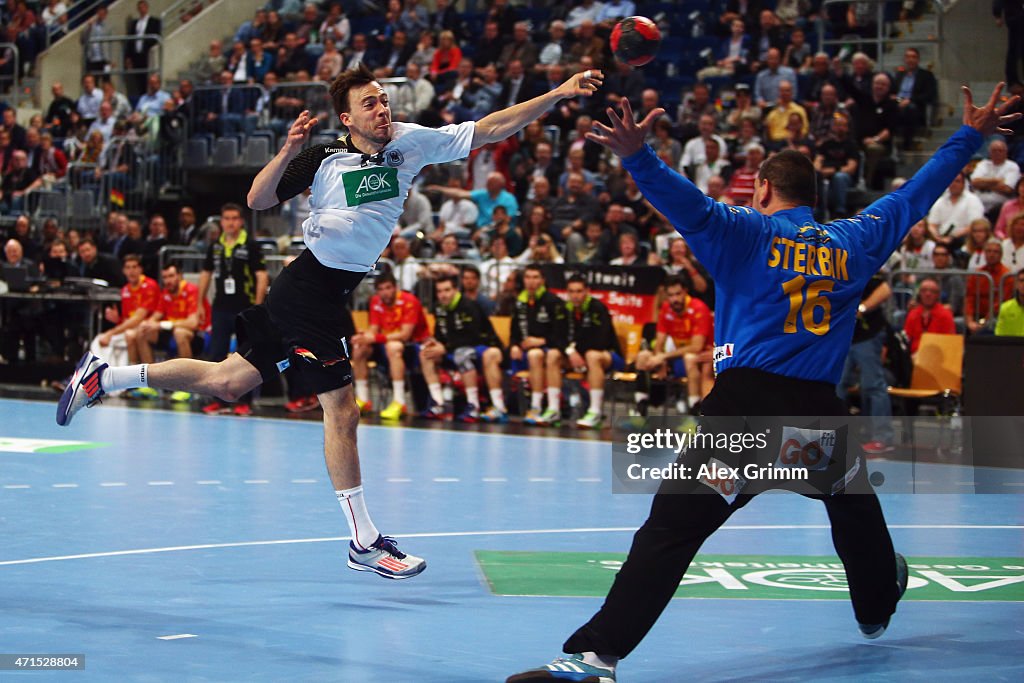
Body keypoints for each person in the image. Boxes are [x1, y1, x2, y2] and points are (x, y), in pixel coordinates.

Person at [507, 83, 1020, 682]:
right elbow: (913, 196)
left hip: (743, 418)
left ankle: (597, 657)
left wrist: (636, 156)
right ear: (815, 196)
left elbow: (690, 206)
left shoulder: (746, 232)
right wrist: (970, 136)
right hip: (815, 419)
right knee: (852, 506)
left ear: (764, 189)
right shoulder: (855, 240)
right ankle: (878, 603)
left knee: (669, 534)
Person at [59, 62, 605, 581]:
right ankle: (364, 542)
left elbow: (487, 128)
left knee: (226, 382)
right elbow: (257, 198)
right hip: (308, 289)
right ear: (347, 117)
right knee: (342, 409)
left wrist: (557, 93)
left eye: (384, 100)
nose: (381, 109)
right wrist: (287, 150)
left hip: (328, 291)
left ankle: (104, 378)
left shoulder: (410, 142)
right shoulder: (322, 159)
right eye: (369, 104)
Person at [196, 203, 269, 415]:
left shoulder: (251, 245)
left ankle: (243, 401)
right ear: (221, 221)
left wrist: (257, 306)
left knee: (244, 356)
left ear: (241, 221)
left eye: (234, 218)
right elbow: (205, 274)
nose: (230, 222)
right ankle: (217, 400)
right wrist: (200, 303)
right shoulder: (216, 246)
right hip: (220, 307)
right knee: (217, 353)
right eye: (226, 218)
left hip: (244, 308)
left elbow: (261, 276)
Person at [419, 274, 503, 422]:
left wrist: (445, 347)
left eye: (447, 290)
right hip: (452, 349)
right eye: (439, 291)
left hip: (480, 346)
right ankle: (438, 403)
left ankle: (474, 406)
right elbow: (441, 335)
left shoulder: (469, 306)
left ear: (456, 290)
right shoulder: (440, 309)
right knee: (426, 353)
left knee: (462, 354)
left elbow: (472, 337)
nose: (443, 295)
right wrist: (434, 342)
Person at [542, 275, 622, 430]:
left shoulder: (597, 308)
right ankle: (553, 409)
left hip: (607, 355)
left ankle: (595, 411)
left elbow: (601, 341)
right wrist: (571, 352)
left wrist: (577, 352)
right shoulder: (563, 310)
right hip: (576, 357)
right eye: (571, 292)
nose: (575, 296)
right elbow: (555, 338)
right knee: (552, 355)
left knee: (592, 355)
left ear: (587, 291)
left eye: (579, 291)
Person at [350, 270, 429, 419]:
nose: (384, 293)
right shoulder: (375, 301)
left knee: (394, 346)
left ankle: (399, 401)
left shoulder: (409, 301)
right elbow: (374, 329)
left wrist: (374, 338)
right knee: (359, 347)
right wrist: (365, 336)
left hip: (413, 347)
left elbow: (405, 335)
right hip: (384, 344)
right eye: (380, 289)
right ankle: (363, 399)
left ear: (395, 287)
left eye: (388, 288)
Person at [489, 264, 563, 424]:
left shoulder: (553, 302)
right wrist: (514, 345)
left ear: (543, 280)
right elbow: (514, 331)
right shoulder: (519, 301)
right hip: (521, 350)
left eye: (535, 277)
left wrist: (541, 341)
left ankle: (535, 407)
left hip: (543, 351)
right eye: (528, 277)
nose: (531, 282)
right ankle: (498, 406)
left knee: (534, 354)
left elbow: (561, 334)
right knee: (491, 355)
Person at [633, 275, 714, 417]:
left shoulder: (699, 308)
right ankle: (640, 410)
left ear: (685, 292)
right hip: (677, 357)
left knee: (690, 358)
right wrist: (660, 359)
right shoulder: (666, 308)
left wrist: (664, 356)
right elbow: (659, 342)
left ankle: (693, 412)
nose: (674, 299)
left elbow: (696, 347)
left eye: (678, 294)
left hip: (702, 358)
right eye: (670, 295)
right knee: (643, 356)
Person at [836, 271, 895, 454]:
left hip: (867, 336)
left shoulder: (862, 264)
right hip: (843, 336)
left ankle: (882, 437)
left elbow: (884, 290)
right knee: (836, 386)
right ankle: (836, 436)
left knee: (873, 385)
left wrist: (861, 308)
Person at [903, 277, 956, 353]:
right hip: (913, 358)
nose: (928, 294)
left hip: (938, 358)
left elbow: (949, 344)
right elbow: (906, 339)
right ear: (919, 294)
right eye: (924, 291)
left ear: (938, 295)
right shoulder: (913, 314)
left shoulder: (946, 315)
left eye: (932, 291)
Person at [995, 269, 1024, 336]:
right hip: (1010, 345)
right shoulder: (1005, 308)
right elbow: (999, 334)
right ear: (1016, 284)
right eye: (1021, 281)